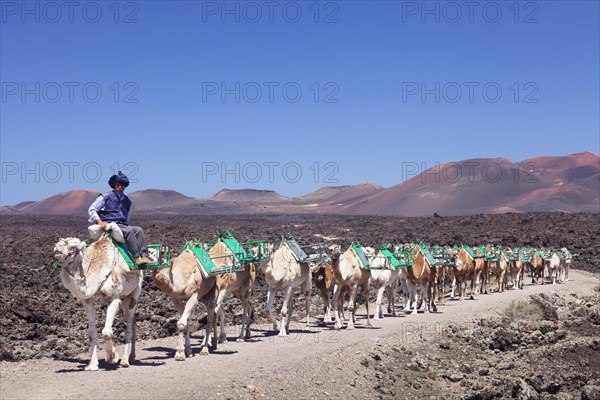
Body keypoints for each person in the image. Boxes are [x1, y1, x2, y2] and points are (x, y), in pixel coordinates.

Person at [88, 171, 153, 265]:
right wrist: (100, 221)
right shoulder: (105, 197)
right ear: (114, 185)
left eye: (122, 185)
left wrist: (126, 224)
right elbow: (92, 209)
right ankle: (137, 257)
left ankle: (144, 256)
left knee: (138, 230)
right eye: (118, 185)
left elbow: (126, 216)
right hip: (110, 223)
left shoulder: (127, 200)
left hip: (122, 224)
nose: (120, 187)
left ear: (125, 186)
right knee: (129, 231)